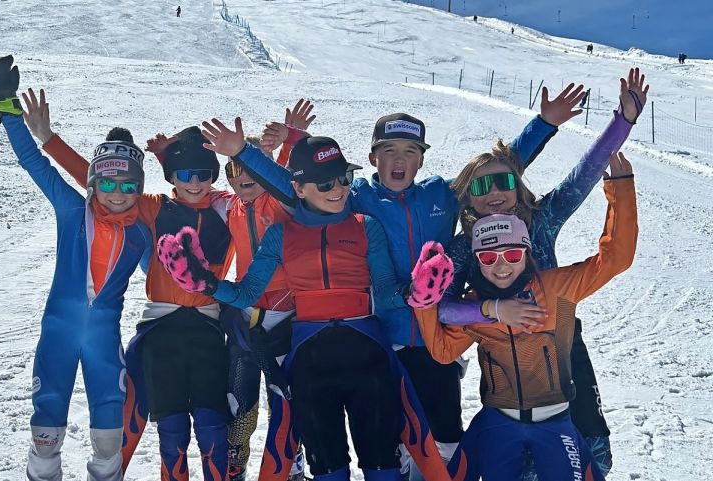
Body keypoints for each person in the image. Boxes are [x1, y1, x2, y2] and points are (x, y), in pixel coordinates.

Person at [246, 89, 583, 479]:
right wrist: (247, 152)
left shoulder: (441, 193)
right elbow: (300, 185)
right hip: (380, 338)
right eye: (389, 151)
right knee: (388, 438)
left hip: (432, 338)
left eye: (409, 151)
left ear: (421, 159)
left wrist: (545, 124)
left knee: (443, 435)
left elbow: (492, 174)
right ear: (373, 158)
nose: (399, 160)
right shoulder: (356, 198)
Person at [160, 123, 456, 481]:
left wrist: (416, 294)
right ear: (298, 188)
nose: (339, 190)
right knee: (327, 465)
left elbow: (386, 293)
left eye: (344, 179)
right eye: (326, 183)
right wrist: (206, 283)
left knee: (382, 462)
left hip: (369, 357)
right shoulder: (281, 235)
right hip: (310, 362)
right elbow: (245, 294)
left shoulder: (365, 226)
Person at [440, 67, 648, 479]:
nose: (495, 194)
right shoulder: (464, 247)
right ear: (467, 199)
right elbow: (440, 307)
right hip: (506, 357)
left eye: (503, 183)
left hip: (563, 339)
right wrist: (494, 311)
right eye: (481, 189)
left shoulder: (542, 219)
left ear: (518, 186)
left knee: (594, 453)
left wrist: (623, 121)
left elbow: (585, 173)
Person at [22, 94, 235, 480]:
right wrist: (49, 140)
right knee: (159, 426)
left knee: (211, 426)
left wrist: (272, 151)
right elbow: (108, 185)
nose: (197, 182)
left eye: (206, 174)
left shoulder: (225, 207)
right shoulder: (151, 208)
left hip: (206, 325)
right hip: (159, 325)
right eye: (186, 175)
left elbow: (259, 198)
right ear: (172, 178)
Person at [0, 56, 153, 481]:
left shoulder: (142, 235)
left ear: (140, 188)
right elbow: (34, 164)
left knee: (109, 436)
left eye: (128, 185)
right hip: (58, 333)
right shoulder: (73, 210)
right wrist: (5, 103)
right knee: (46, 429)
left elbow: (169, 281)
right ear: (93, 183)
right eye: (108, 183)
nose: (117, 194)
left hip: (102, 342)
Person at [418, 151, 638, 481]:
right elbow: (442, 350)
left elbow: (615, 259)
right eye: (489, 257)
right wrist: (424, 305)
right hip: (499, 422)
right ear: (476, 260)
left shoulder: (557, 288)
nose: (501, 264)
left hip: (555, 422)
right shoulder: (477, 305)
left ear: (526, 251)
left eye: (511, 253)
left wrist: (620, 189)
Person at [222, 100, 317, 481]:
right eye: (233, 167)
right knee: (240, 403)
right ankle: (235, 465)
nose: (242, 174)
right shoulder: (226, 204)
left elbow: (289, 178)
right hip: (245, 319)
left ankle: (290, 466)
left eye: (250, 167)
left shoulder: (278, 202)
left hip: (288, 317)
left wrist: (292, 141)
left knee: (288, 401)